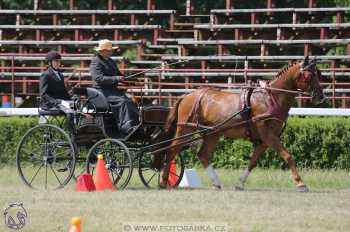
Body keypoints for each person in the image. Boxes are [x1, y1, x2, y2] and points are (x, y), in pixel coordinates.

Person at [90, 39, 139, 135]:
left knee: (131, 101)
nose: (111, 52)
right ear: (102, 51)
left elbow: (119, 75)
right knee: (123, 102)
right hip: (102, 92)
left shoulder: (110, 61)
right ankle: (126, 127)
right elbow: (99, 78)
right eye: (109, 50)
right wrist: (117, 78)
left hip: (113, 91)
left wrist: (129, 80)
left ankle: (135, 124)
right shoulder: (96, 62)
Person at [39, 51, 74, 128]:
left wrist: (71, 99)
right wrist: (58, 101)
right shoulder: (45, 75)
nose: (58, 63)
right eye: (56, 61)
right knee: (70, 111)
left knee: (77, 108)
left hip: (60, 102)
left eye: (59, 61)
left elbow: (63, 92)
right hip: (50, 104)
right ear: (49, 63)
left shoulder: (60, 75)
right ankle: (71, 132)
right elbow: (44, 94)